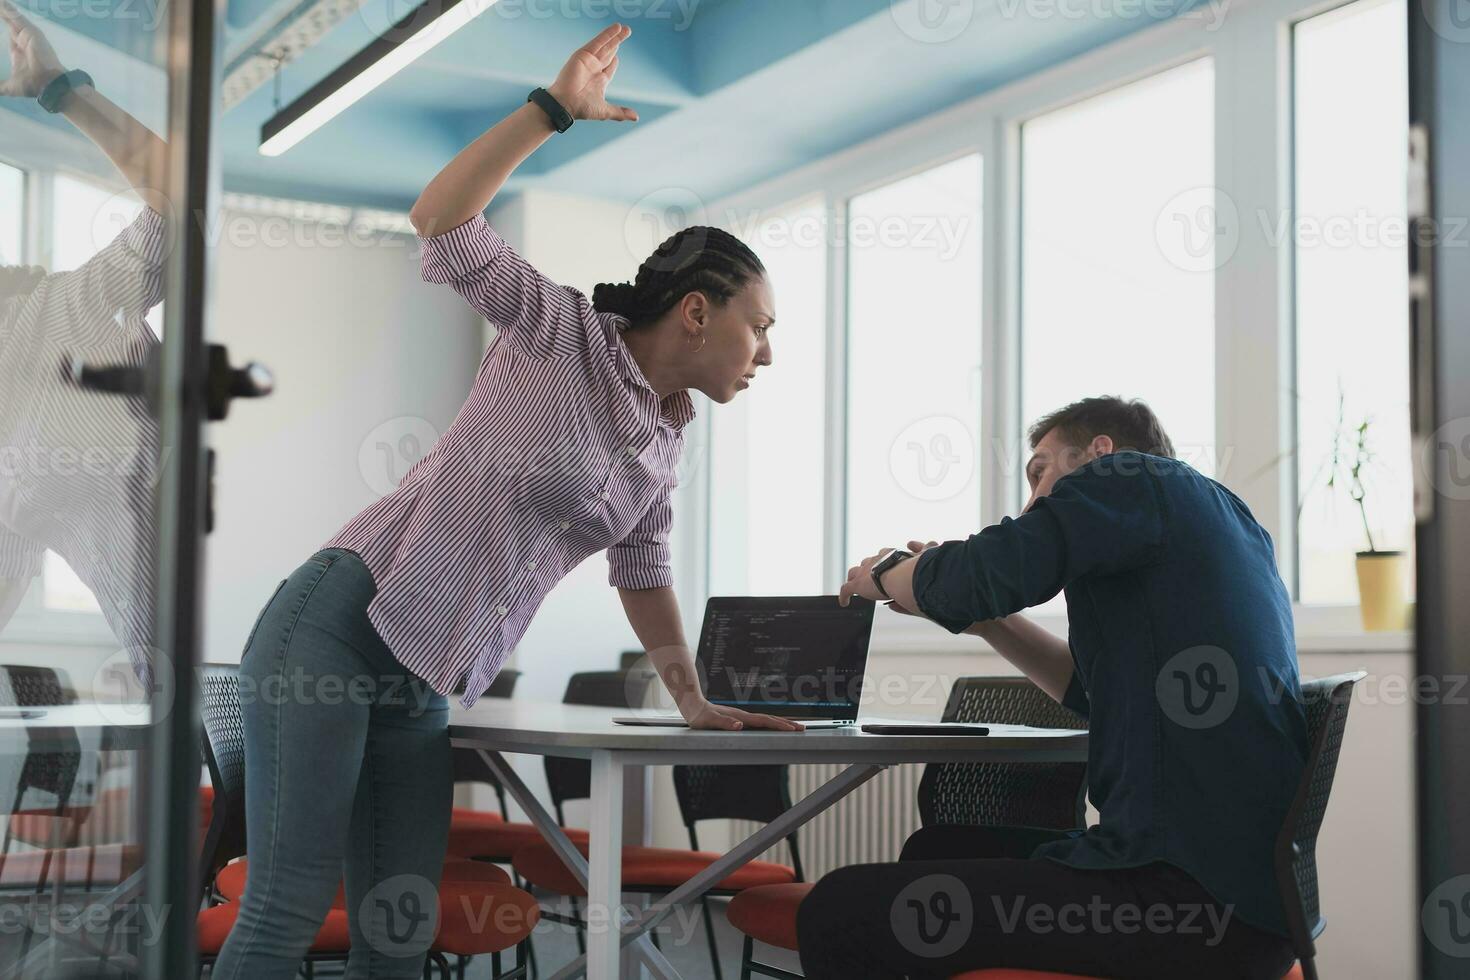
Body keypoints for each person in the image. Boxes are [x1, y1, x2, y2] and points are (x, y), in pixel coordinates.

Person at [213, 23, 801, 979]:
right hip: (339, 625)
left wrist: (690, 695)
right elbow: (442, 221)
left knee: (398, 933)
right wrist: (552, 111)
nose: (768, 353)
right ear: (699, 311)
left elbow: (641, 568)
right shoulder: (558, 332)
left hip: (426, 681)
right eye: (760, 327)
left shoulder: (667, 436)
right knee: (284, 904)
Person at [818, 396, 1308, 979]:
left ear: (1102, 453)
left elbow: (984, 573)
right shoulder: (1219, 522)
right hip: (1240, 903)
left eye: (1041, 471)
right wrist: (984, 621)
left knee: (835, 909)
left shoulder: (1131, 478)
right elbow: (1087, 691)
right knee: (937, 850)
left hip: (1181, 900)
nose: (1032, 501)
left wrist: (889, 572)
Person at [0, 0, 168, 684]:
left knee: (169, 677)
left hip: (120, 478)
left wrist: (60, 89)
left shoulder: (63, 306)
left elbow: (178, 207)